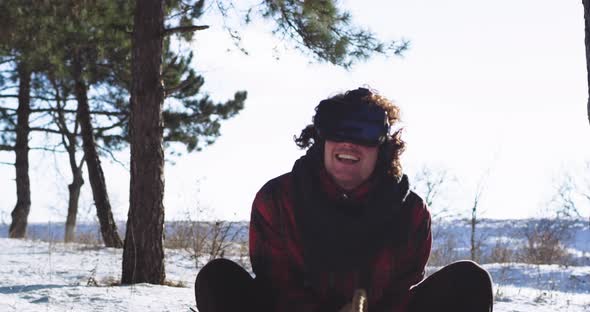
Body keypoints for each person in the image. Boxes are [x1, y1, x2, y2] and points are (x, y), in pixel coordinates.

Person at [195, 87, 494, 312]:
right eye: (337, 130)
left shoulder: (411, 211)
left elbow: (400, 292)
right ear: (321, 137)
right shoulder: (276, 200)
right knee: (218, 279)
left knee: (468, 281)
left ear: (383, 146)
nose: (349, 142)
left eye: (365, 132)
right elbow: (277, 285)